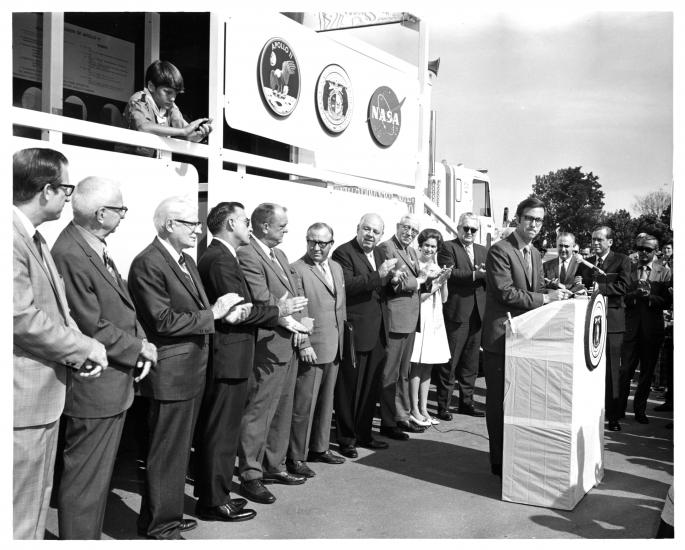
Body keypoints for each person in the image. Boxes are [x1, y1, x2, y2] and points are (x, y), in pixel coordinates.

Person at [128, 196, 247, 539]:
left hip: (190, 371)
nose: (197, 230)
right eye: (189, 223)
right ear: (168, 224)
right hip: (172, 374)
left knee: (178, 450)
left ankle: (167, 514)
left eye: (196, 224)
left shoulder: (184, 261)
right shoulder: (149, 262)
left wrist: (216, 311)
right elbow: (162, 320)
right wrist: (215, 313)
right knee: (166, 451)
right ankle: (159, 525)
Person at [51, 177, 157, 539]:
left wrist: (140, 340)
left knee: (95, 481)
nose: (124, 215)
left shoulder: (90, 246)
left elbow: (120, 310)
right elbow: (89, 323)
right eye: (120, 209)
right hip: (94, 387)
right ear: (100, 214)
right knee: (85, 482)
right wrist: (138, 347)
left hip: (110, 382)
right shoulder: (71, 253)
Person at [13, 148, 108, 540]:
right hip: (22, 403)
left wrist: (77, 348)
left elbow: (57, 311)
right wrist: (84, 348)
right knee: (19, 515)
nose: (69, 197)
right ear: (47, 190)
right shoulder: (12, 239)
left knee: (34, 505)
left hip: (41, 399)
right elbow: (20, 318)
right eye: (66, 188)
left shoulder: (34, 239)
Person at [194, 202, 306, 523]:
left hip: (238, 352)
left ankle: (217, 495)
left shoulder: (225, 256)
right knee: (221, 432)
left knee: (225, 430)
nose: (249, 225)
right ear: (231, 223)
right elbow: (239, 311)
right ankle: (215, 499)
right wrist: (278, 312)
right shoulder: (220, 259)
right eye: (245, 220)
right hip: (230, 355)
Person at [481, 197, 571, 477]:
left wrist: (560, 291)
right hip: (500, 338)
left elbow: (536, 285)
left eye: (539, 220)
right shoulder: (499, 250)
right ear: (518, 219)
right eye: (529, 218)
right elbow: (505, 292)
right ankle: (498, 461)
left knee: (520, 402)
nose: (534, 224)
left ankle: (515, 456)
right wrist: (545, 297)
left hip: (526, 337)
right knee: (498, 403)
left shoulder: (533, 253)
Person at [236, 203, 312, 505]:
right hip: (267, 345)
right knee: (259, 411)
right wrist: (289, 315)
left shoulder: (279, 255)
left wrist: (302, 332)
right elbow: (261, 297)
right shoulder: (247, 254)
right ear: (264, 226)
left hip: (289, 340)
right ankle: (250, 474)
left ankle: (273, 465)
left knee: (282, 408)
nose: (286, 230)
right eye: (282, 225)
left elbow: (294, 296)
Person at [331, 214, 397, 458]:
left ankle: (365, 434)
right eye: (366, 229)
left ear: (381, 235)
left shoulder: (381, 253)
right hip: (355, 330)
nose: (371, 235)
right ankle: (346, 439)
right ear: (357, 229)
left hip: (378, 329)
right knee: (350, 387)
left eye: (376, 231)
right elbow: (346, 286)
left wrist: (393, 280)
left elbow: (383, 286)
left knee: (370, 387)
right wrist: (379, 275)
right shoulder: (343, 253)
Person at [288, 223, 348, 477]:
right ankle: (296, 456)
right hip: (312, 348)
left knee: (326, 402)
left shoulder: (336, 267)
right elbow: (299, 310)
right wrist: (304, 343)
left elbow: (339, 306)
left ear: (331, 244)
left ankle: (320, 447)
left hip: (335, 345)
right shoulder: (297, 269)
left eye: (323, 243)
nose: (317, 247)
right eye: (312, 241)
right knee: (304, 404)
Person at [377, 214, 427, 439]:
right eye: (406, 228)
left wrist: (424, 279)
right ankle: (388, 423)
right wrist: (421, 280)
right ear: (397, 227)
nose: (410, 233)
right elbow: (394, 282)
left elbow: (412, 280)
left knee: (403, 373)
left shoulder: (413, 251)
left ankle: (403, 416)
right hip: (395, 320)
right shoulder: (386, 248)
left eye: (414, 231)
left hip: (410, 319)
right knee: (390, 373)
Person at [577, 226, 631, 432]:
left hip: (613, 324)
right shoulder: (586, 263)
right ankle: (590, 411)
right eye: (593, 240)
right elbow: (581, 286)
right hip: (590, 322)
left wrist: (601, 289)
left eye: (600, 240)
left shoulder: (622, 260)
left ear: (610, 242)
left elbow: (625, 287)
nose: (595, 243)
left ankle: (614, 416)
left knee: (611, 372)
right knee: (588, 368)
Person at [436, 213, 487, 421]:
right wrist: (476, 275)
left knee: (471, 363)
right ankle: (443, 405)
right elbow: (450, 273)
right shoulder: (448, 247)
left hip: (478, 313)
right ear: (458, 228)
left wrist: (485, 274)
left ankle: (467, 403)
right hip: (457, 313)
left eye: (473, 230)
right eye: (465, 228)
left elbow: (491, 276)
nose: (469, 233)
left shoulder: (484, 250)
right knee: (450, 361)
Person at [618, 234, 672, 424]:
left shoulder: (664, 273)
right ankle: (619, 409)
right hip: (631, 329)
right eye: (640, 248)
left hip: (652, 330)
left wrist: (650, 297)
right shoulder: (630, 270)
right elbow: (621, 297)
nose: (643, 252)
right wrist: (634, 294)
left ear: (656, 251)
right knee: (625, 371)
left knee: (647, 373)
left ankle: (640, 411)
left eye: (648, 249)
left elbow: (668, 302)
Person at [121, 60, 212, 157]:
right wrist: (184, 131)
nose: (173, 98)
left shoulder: (171, 107)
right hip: (129, 162)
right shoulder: (139, 99)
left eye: (175, 93)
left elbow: (185, 133)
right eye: (168, 92)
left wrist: (199, 135)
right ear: (151, 86)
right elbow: (144, 127)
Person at [409, 229, 451, 426]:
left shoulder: (436, 265)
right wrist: (434, 284)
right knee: (417, 365)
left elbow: (444, 298)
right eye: (426, 245)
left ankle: (424, 408)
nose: (429, 249)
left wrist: (444, 282)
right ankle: (413, 408)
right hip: (421, 316)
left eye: (433, 246)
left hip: (435, 318)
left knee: (428, 365)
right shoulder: (416, 265)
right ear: (421, 245)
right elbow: (419, 298)